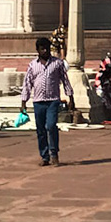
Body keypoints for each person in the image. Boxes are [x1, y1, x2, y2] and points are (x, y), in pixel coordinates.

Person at [20, 37, 76, 166]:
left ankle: (54, 152)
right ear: (37, 50)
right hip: (38, 101)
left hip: (52, 101)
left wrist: (70, 97)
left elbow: (65, 80)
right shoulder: (33, 65)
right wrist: (23, 102)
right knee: (40, 130)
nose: (45, 51)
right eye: (42, 49)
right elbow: (27, 83)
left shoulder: (57, 63)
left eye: (46, 48)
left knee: (50, 126)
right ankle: (44, 156)